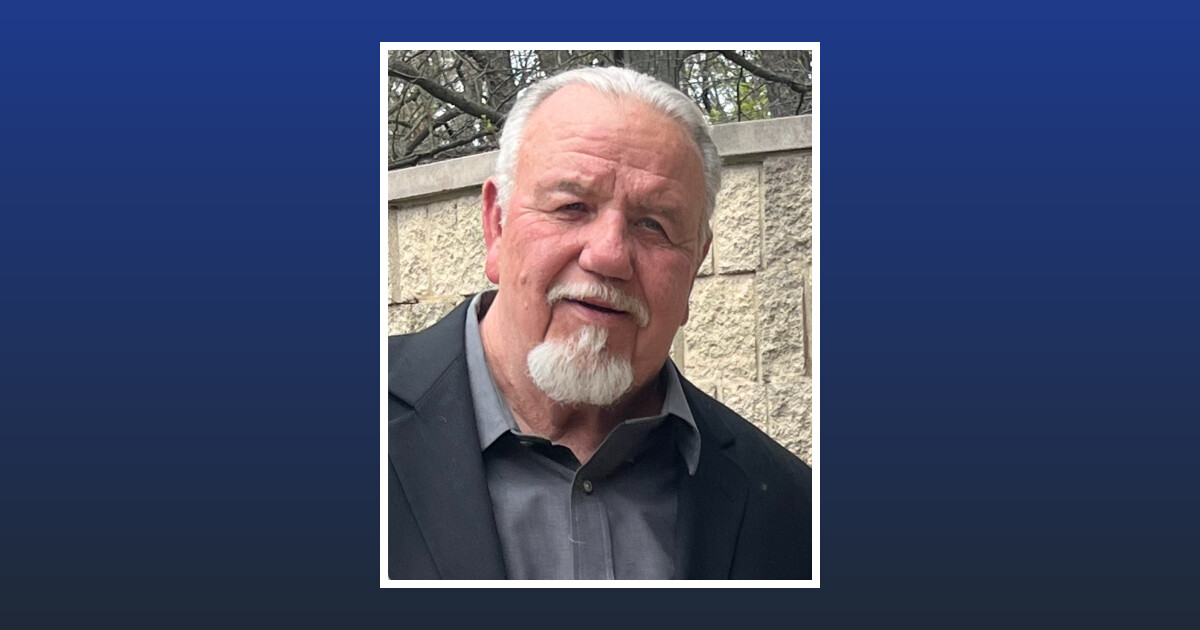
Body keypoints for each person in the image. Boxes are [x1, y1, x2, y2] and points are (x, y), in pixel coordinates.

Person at [387, 67, 811, 580]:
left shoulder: (793, 513)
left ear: (695, 267)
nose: (609, 255)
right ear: (497, 225)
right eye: (572, 207)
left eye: (653, 224)